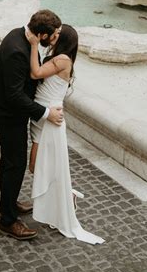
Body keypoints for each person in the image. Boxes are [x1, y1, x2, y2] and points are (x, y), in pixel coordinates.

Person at [0, 9, 64, 241]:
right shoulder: (17, 51)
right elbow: (14, 96)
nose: (56, 38)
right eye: (54, 34)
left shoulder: (19, 36)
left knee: (9, 161)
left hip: (7, 109)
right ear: (41, 35)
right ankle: (8, 221)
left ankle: (7, 204)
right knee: (15, 164)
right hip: (7, 114)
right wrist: (45, 113)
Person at [27, 24, 105, 245]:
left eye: (58, 34)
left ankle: (66, 197)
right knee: (41, 166)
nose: (53, 35)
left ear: (65, 39)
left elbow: (35, 73)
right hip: (42, 117)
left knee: (37, 166)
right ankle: (65, 195)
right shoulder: (57, 56)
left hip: (50, 119)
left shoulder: (62, 60)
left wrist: (33, 45)